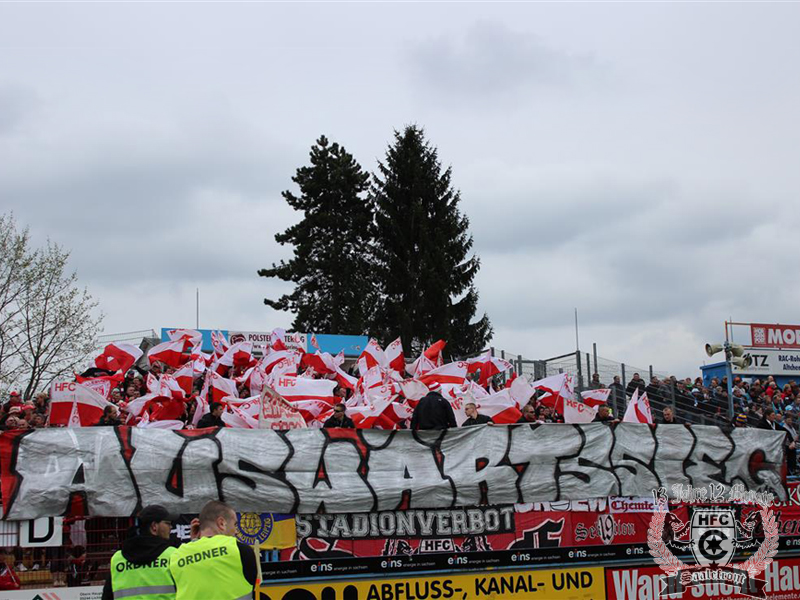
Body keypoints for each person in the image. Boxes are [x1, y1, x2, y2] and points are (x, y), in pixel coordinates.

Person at [169, 500, 257, 600]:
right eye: (235, 525)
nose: (236, 531)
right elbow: (251, 585)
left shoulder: (177, 556)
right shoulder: (240, 549)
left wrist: (194, 541)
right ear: (221, 523)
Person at [103, 505, 179, 600]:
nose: (171, 527)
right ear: (154, 526)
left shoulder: (117, 559)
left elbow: (107, 596)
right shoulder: (172, 555)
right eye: (167, 523)